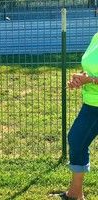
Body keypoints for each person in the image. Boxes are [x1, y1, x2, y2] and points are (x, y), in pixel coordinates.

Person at [55, 33, 98, 200]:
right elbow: (90, 68)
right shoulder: (96, 37)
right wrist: (81, 78)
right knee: (76, 139)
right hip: (91, 103)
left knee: (77, 139)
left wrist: (91, 80)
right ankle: (75, 194)